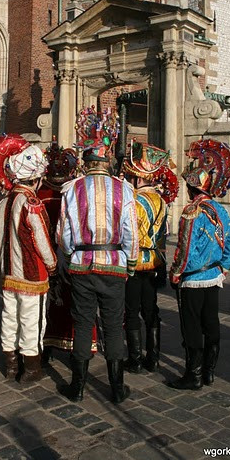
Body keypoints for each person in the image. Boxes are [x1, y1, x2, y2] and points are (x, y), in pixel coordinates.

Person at [56, 106, 139, 404]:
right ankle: (117, 389)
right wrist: (129, 263)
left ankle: (77, 388)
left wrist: (70, 254)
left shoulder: (71, 189)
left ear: (86, 161)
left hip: (82, 266)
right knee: (114, 325)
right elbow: (131, 233)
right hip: (114, 266)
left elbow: (63, 235)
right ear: (106, 161)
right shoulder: (124, 189)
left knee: (82, 323)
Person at [168, 139, 230, 390]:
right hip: (213, 277)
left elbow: (185, 249)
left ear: (191, 188)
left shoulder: (191, 212)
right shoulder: (219, 210)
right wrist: (223, 268)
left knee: (191, 327)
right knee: (211, 323)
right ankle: (209, 371)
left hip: (193, 279)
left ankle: (193, 375)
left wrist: (176, 272)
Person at [0, 134, 58, 383]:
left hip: (9, 272)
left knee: (9, 317)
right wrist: (52, 265)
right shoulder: (31, 203)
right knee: (32, 320)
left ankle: (10, 366)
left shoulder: (5, 202)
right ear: (36, 179)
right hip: (31, 274)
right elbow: (42, 240)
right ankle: (32, 369)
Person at [38, 138, 98, 360]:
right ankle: (81, 349)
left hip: (47, 259)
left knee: (48, 305)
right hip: (74, 258)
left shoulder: (38, 196)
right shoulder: (76, 193)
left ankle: (44, 347)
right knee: (79, 305)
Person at [121, 140, 178, 374]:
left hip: (137, 263)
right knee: (151, 309)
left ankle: (134, 359)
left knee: (132, 310)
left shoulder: (135, 201)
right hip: (156, 261)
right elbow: (162, 236)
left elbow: (133, 236)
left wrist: (128, 262)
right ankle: (153, 357)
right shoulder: (162, 202)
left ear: (137, 178)